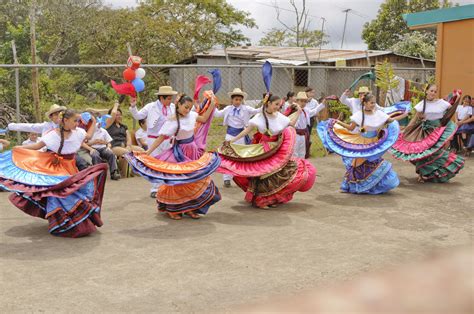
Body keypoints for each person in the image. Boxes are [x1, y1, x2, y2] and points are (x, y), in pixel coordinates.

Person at [0, 109, 108, 237]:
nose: (77, 124)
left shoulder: (78, 132)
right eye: (75, 121)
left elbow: (89, 136)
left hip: (70, 168)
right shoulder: (52, 135)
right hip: (56, 168)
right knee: (60, 194)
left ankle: (71, 220)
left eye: (78, 121)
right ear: (65, 120)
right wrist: (20, 148)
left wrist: (93, 121)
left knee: (71, 193)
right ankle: (63, 222)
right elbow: (36, 146)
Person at [125, 94, 221, 220]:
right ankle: (172, 209)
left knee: (194, 180)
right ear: (179, 105)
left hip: (193, 151)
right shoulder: (173, 121)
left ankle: (191, 208)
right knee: (178, 182)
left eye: (190, 107)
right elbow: (161, 138)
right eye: (185, 107)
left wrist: (212, 105)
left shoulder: (192, 115)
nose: (187, 110)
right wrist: (148, 152)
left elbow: (203, 119)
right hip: (180, 153)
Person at [218, 94, 316, 209]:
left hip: (278, 149)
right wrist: (231, 141)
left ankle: (272, 198)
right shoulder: (259, 118)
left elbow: (290, 124)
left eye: (279, 105)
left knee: (281, 172)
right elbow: (246, 131)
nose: (278, 107)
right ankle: (262, 200)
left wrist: (298, 112)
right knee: (265, 175)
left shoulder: (279, 116)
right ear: (268, 103)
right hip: (265, 150)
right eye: (276, 104)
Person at [318, 93, 401, 194]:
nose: (373, 105)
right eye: (371, 103)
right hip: (363, 143)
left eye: (374, 103)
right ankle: (353, 185)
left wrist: (403, 115)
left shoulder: (379, 114)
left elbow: (390, 120)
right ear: (365, 103)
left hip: (375, 143)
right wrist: (338, 122)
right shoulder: (359, 115)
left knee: (374, 162)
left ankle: (374, 185)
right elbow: (351, 128)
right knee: (359, 163)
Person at [390, 84, 465, 183]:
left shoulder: (442, 103)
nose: (433, 93)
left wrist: (457, 96)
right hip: (424, 131)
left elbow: (452, 106)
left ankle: (433, 173)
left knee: (436, 153)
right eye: (431, 91)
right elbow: (415, 119)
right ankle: (422, 174)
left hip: (437, 131)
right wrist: (406, 130)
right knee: (422, 153)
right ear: (426, 91)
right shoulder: (422, 104)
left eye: (435, 91)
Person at [129, 86, 177, 198]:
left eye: (171, 98)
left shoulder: (173, 107)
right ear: (161, 98)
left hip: (168, 139)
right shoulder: (151, 107)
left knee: (169, 163)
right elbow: (138, 115)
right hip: (153, 138)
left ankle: (167, 186)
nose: (170, 101)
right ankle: (155, 188)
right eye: (168, 98)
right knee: (155, 163)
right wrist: (133, 106)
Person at [214, 88, 260, 188]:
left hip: (241, 135)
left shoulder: (246, 109)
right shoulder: (228, 109)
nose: (238, 101)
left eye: (240, 99)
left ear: (242, 100)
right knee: (228, 155)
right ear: (232, 100)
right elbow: (217, 114)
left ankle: (243, 177)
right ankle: (227, 178)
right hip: (230, 135)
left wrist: (265, 102)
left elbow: (257, 111)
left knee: (241, 155)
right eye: (236, 99)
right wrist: (212, 105)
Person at [286, 91, 325, 159]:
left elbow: (314, 111)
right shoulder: (293, 109)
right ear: (297, 101)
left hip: (303, 134)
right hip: (295, 134)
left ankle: (301, 167)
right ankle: (294, 168)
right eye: (301, 101)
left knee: (302, 153)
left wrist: (322, 104)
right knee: (294, 152)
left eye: (305, 101)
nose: (303, 103)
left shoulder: (306, 110)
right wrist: (297, 108)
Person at [106, 107, 143, 177]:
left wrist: (128, 145)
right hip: (114, 146)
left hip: (125, 146)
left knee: (141, 151)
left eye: (120, 115)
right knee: (126, 153)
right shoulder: (108, 125)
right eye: (116, 115)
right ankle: (121, 172)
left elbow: (128, 138)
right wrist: (116, 104)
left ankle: (134, 171)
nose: (119, 116)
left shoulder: (124, 126)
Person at [83, 115, 121, 180]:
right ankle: (98, 174)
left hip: (103, 148)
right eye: (98, 122)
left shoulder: (104, 131)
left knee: (111, 154)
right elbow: (85, 143)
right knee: (95, 155)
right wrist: (94, 142)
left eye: (101, 123)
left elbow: (109, 142)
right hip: (93, 148)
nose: (100, 124)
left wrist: (108, 147)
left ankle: (113, 172)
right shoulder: (89, 131)